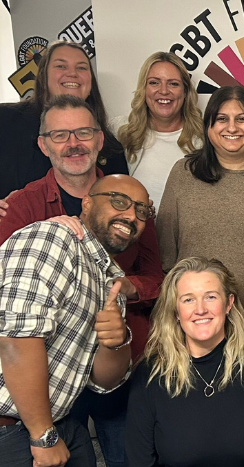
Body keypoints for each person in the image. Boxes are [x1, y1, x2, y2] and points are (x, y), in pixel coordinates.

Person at [0, 95, 163, 467]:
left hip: (69, 405)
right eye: (60, 134)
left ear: (100, 139)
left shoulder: (110, 275)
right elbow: (15, 335)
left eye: (84, 132)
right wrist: (42, 434)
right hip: (21, 422)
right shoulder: (36, 220)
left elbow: (103, 379)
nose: (73, 142)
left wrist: (117, 336)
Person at [158, 85, 244, 337]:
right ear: (208, 126)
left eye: (241, 119)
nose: (232, 128)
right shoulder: (183, 174)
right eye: (222, 119)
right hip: (195, 322)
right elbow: (166, 250)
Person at [126, 257, 244, 467]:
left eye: (210, 297)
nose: (201, 309)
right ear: (176, 311)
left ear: (228, 303)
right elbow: (139, 461)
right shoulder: (151, 373)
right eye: (188, 300)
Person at [0, 41, 127, 201]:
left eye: (81, 67)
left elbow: (123, 199)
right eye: (61, 66)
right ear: (43, 76)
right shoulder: (5, 121)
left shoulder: (111, 148)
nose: (72, 73)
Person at [113, 51, 204, 209]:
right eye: (154, 82)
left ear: (185, 91)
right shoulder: (120, 131)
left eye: (173, 84)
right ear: (144, 89)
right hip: (135, 225)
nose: (164, 91)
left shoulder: (205, 138)